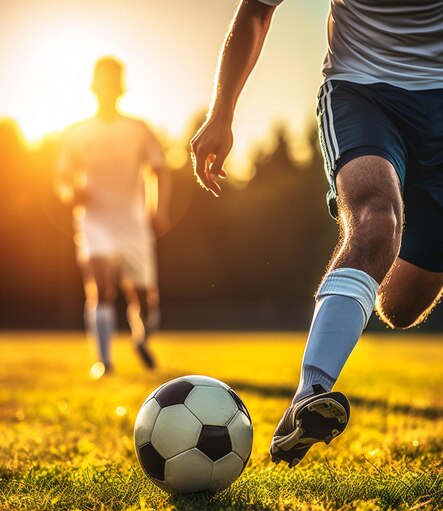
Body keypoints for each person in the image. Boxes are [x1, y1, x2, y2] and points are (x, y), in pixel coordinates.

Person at [190, 1, 443, 467]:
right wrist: (221, 111)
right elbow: (256, 12)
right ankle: (311, 393)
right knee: (375, 220)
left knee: (401, 306)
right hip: (363, 92)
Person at [56, 57, 171, 376]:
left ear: (121, 87)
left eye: (113, 81)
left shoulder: (138, 130)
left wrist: (158, 209)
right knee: (101, 285)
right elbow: (63, 179)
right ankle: (104, 361)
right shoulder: (76, 134)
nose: (107, 88)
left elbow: (160, 169)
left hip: (133, 225)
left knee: (146, 299)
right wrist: (71, 194)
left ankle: (142, 340)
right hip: (94, 222)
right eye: (102, 81)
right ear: (93, 87)